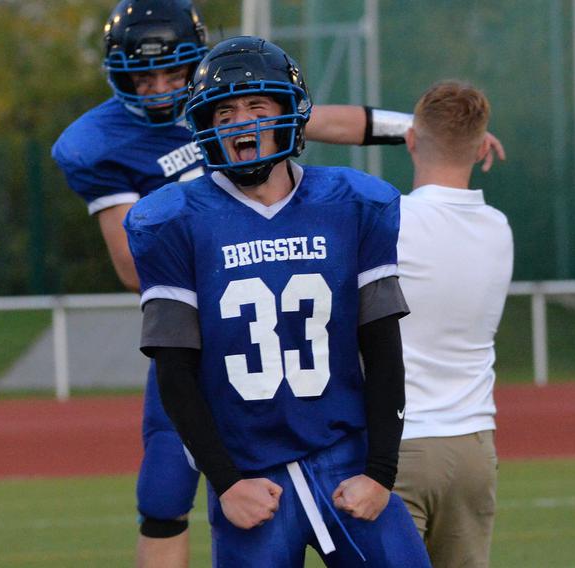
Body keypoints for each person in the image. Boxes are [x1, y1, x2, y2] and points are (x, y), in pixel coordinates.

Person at [51, 2, 444, 566]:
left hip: (337, 443)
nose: (160, 88)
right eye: (144, 75)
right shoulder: (145, 192)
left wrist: (427, 133)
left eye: (171, 73)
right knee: (162, 491)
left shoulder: (350, 200)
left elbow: (332, 120)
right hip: (221, 368)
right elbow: (134, 275)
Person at [392, 81, 513, 568]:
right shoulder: (498, 228)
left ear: (410, 140)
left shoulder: (388, 221)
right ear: (484, 147)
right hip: (474, 448)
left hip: (399, 446)